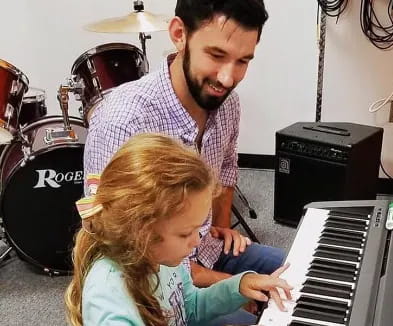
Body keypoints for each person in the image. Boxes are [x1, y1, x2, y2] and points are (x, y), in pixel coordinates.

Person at [83, 0, 285, 289]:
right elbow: (111, 243)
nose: (228, 78)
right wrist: (226, 285)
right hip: (155, 282)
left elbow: (225, 174)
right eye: (216, 55)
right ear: (179, 34)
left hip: (207, 250)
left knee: (299, 271)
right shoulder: (123, 121)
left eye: (243, 61)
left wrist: (221, 228)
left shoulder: (229, 105)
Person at [65, 133, 292, 326]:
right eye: (185, 233)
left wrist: (238, 286)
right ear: (141, 232)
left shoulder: (164, 259)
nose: (196, 241)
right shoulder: (109, 301)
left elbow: (188, 308)